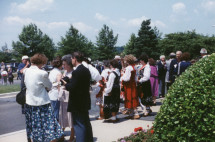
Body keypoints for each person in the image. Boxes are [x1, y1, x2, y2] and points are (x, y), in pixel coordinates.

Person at [24, 53, 64, 142]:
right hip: (42, 103)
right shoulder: (42, 73)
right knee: (48, 125)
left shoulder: (26, 71)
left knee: (35, 125)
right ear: (42, 62)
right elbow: (49, 86)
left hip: (30, 102)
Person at [63, 51, 93, 142]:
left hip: (77, 103)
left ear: (75, 59)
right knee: (86, 123)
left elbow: (72, 87)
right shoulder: (86, 70)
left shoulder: (77, 72)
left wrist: (66, 84)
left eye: (72, 58)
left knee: (79, 125)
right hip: (84, 100)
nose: (71, 60)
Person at [58, 54, 75, 142]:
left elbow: (69, 84)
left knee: (70, 117)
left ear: (69, 64)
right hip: (63, 97)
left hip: (69, 97)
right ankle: (61, 134)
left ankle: (72, 136)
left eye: (64, 64)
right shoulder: (65, 72)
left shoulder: (73, 72)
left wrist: (63, 81)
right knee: (63, 116)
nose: (63, 66)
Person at [120, 54, 140, 119]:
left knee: (129, 98)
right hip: (133, 84)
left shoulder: (128, 68)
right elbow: (136, 77)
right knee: (133, 97)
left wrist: (122, 77)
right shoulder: (135, 67)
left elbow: (127, 78)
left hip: (128, 85)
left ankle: (136, 113)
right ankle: (131, 114)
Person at [48, 56, 63, 121]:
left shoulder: (52, 71)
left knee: (52, 112)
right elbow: (59, 84)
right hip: (56, 94)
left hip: (51, 93)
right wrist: (61, 95)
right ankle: (55, 129)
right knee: (56, 113)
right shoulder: (58, 73)